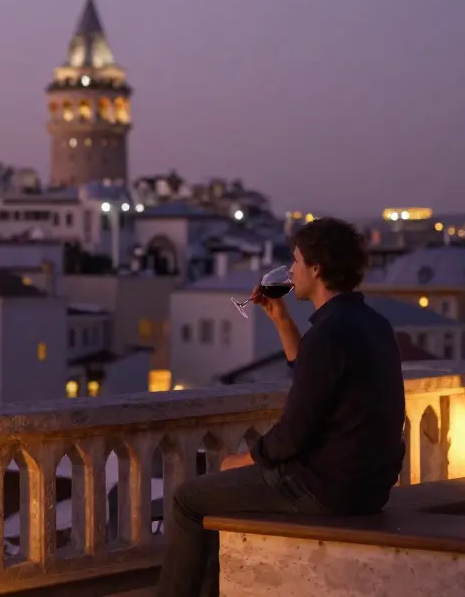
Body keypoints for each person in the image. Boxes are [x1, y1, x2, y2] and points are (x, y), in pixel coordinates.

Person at [155, 217, 405, 597]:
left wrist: (245, 460)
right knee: (217, 496)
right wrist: (282, 320)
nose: (291, 270)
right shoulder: (372, 324)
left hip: (326, 490)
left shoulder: (329, 335)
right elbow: (315, 373)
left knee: (188, 499)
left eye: (297, 261)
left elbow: (292, 436)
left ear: (316, 269)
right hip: (370, 487)